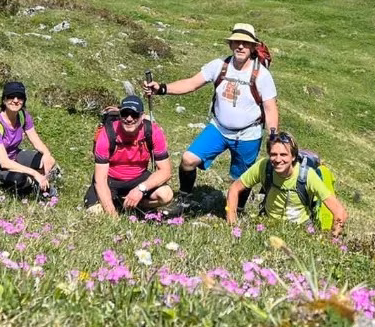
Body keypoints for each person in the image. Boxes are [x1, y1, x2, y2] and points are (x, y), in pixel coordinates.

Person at [144, 23, 278, 207]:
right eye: (236, 42)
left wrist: (273, 136)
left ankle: (237, 210)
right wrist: (162, 88)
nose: (240, 46)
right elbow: (191, 83)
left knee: (242, 179)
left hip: (248, 134)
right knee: (188, 160)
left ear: (253, 47)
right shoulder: (219, 66)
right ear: (230, 45)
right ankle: (184, 200)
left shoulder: (262, 75)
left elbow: (270, 108)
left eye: (245, 43)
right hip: (219, 128)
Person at [225, 132, 346, 237]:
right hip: (268, 223)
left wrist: (333, 239)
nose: (278, 160)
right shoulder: (264, 166)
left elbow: (339, 211)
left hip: (301, 229)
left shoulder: (307, 175)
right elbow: (234, 189)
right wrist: (232, 223)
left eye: (283, 155)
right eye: (273, 154)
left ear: (293, 157)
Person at [83, 94, 174, 216]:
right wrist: (112, 216)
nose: (129, 119)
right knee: (94, 212)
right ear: (120, 115)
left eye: (134, 114)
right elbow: (101, 180)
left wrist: (141, 189)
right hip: (111, 180)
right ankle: (118, 205)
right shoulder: (107, 133)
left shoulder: (153, 132)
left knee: (166, 195)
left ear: (142, 116)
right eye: (125, 114)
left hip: (139, 177)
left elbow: (166, 171)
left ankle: (134, 205)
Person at [0, 81, 58, 196]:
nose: (15, 100)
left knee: (49, 161)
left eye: (20, 97)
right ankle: (32, 186)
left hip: (13, 156)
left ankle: (37, 184)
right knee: (18, 178)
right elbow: (4, 163)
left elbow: (36, 141)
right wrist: (35, 173)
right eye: (11, 96)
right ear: (4, 99)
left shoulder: (23, 116)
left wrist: (47, 155)